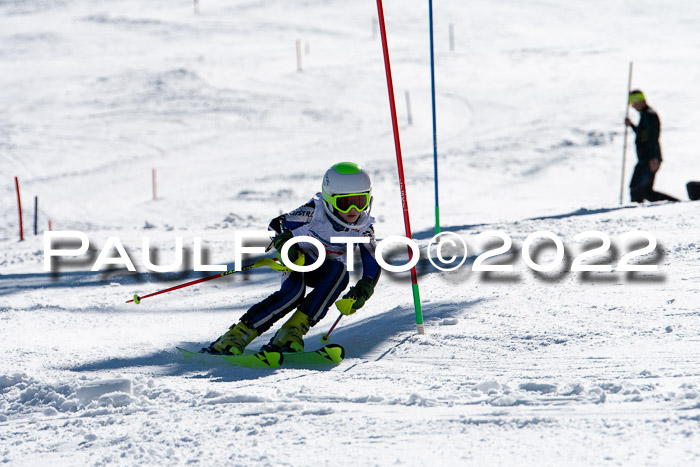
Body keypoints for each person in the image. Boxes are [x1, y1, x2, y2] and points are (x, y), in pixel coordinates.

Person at [203, 162, 381, 355]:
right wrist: (286, 245)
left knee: (340, 274)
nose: (353, 210)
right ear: (329, 200)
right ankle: (236, 336)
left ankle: (289, 334)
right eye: (345, 203)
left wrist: (365, 288)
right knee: (293, 293)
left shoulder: (364, 227)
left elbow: (372, 260)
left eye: (360, 201)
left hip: (324, 271)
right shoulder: (314, 212)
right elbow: (277, 225)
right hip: (298, 261)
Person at [624, 90, 679, 203]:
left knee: (642, 189)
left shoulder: (649, 115)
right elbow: (643, 135)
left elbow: (653, 137)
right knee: (636, 188)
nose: (633, 106)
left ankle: (676, 204)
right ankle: (634, 211)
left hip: (650, 157)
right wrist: (632, 126)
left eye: (633, 103)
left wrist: (653, 157)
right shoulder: (645, 115)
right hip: (644, 158)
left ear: (640, 100)